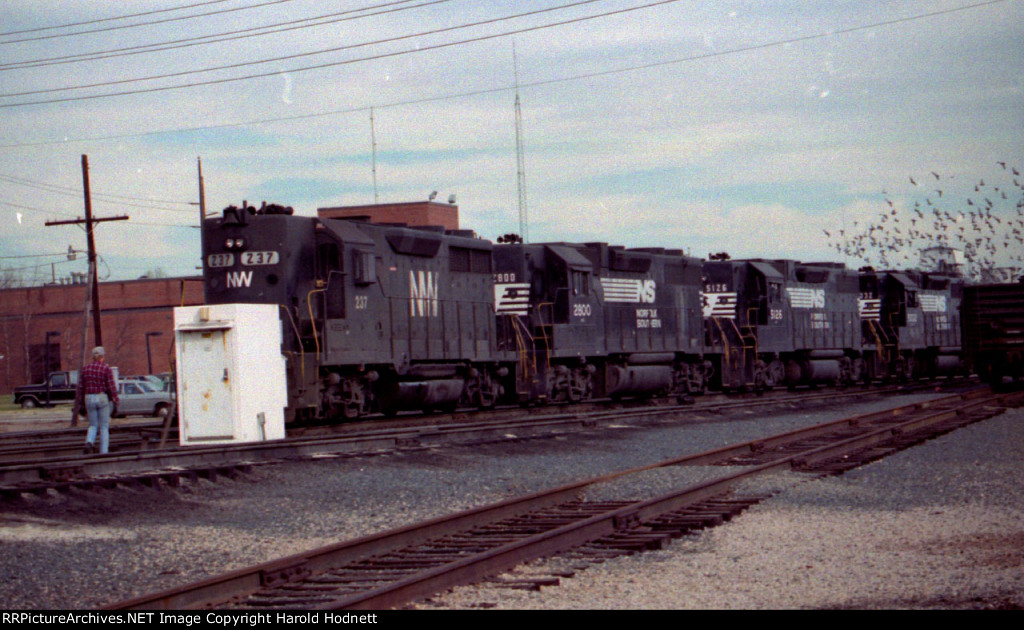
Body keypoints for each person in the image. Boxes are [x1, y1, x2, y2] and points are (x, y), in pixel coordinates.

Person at [77, 346, 119, 455]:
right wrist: (115, 399)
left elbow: (81, 387)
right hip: (101, 397)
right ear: (102, 356)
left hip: (89, 397)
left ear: (92, 357)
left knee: (93, 424)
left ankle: (89, 441)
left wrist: (81, 402)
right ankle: (103, 452)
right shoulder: (106, 368)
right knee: (104, 426)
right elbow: (111, 386)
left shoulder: (85, 369)